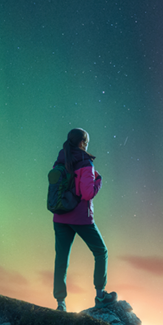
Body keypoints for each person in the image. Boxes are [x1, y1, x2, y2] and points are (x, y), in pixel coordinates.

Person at [52, 127, 117, 312]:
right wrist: (98, 181)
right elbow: (87, 193)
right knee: (101, 251)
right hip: (80, 217)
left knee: (61, 258)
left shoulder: (60, 160)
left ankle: (60, 303)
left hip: (60, 216)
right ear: (82, 143)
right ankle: (100, 295)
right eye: (86, 141)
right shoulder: (85, 162)